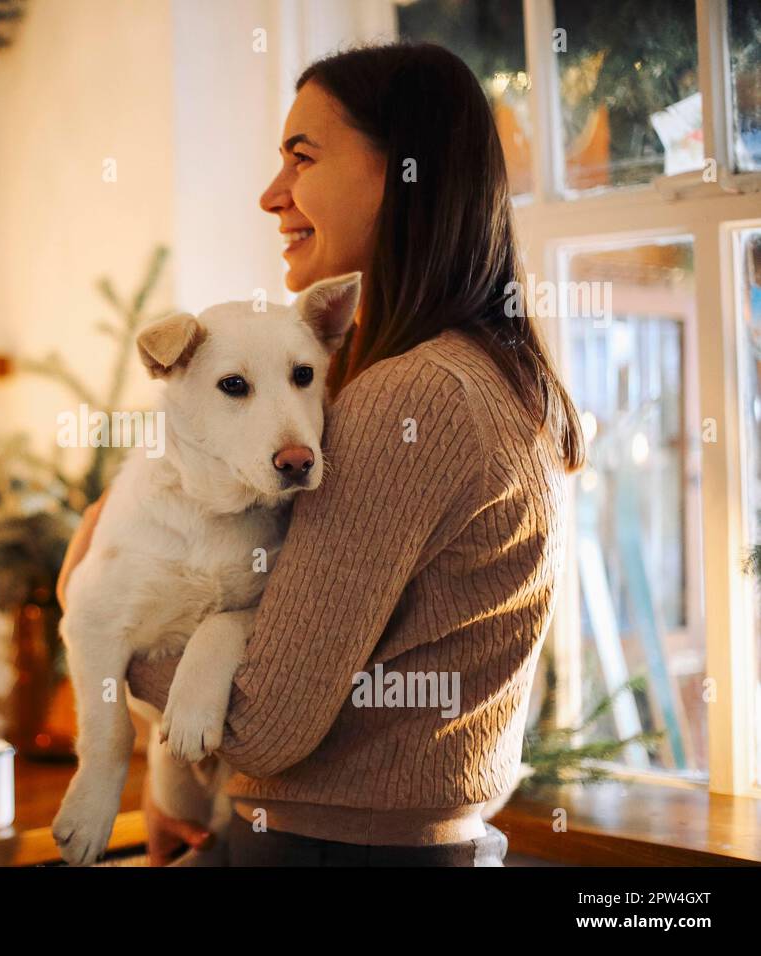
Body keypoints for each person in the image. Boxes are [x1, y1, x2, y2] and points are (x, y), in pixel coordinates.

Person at [57, 42, 586, 867]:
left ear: (401, 173)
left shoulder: (410, 400)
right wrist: (181, 780)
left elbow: (265, 721)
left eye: (301, 158)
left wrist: (100, 614)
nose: (272, 195)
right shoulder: (493, 374)